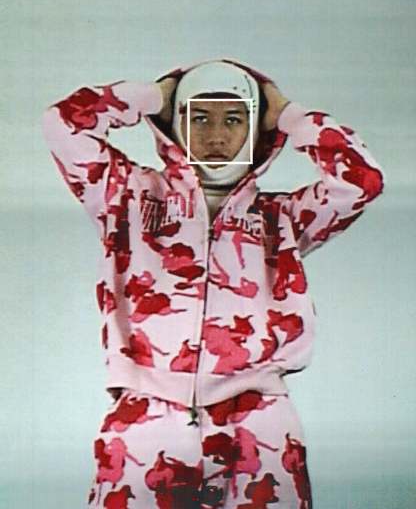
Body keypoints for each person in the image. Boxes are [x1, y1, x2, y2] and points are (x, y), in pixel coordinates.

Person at [41, 58, 385, 508]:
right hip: (147, 414)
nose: (216, 136)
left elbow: (362, 180)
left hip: (258, 419)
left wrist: (287, 114)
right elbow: (62, 124)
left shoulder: (281, 218)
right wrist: (153, 97)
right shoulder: (127, 197)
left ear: (255, 128)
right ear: (175, 123)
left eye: (234, 119)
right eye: (199, 117)